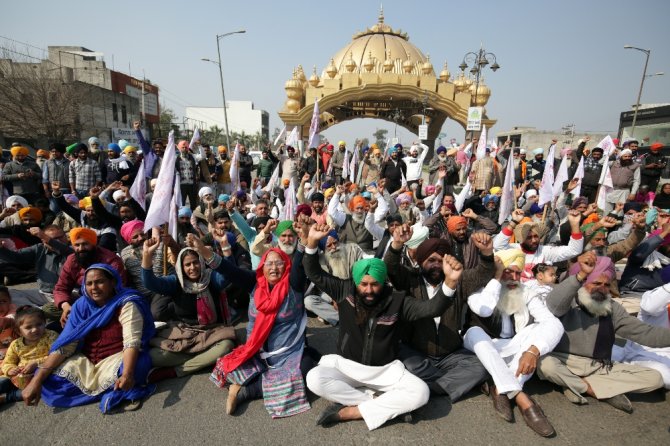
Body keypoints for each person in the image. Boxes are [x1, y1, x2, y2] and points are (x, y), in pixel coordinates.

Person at [303, 224, 463, 430]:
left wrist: (450, 282)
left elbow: (432, 308)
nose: (369, 290)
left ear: (384, 282)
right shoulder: (344, 290)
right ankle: (381, 404)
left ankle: (351, 411)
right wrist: (313, 242)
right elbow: (314, 272)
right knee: (314, 379)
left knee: (421, 392)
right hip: (348, 367)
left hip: (385, 371)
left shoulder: (397, 301)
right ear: (356, 281)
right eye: (364, 284)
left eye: (375, 284)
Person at [537, 253, 670, 412]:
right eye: (597, 283)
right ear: (583, 282)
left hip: (599, 366)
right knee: (545, 364)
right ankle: (592, 389)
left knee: (655, 379)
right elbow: (554, 306)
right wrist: (581, 274)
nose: (602, 289)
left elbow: (644, 333)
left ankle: (573, 384)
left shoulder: (612, 308)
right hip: (564, 360)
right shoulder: (569, 298)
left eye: (607, 285)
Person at [21, 263, 156, 413]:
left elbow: (132, 341)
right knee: (45, 378)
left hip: (117, 358)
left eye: (100, 282)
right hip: (87, 361)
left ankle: (122, 387)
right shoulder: (80, 306)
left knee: (137, 364)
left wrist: (127, 374)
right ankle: (116, 391)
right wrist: (36, 381)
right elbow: (66, 345)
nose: (94, 288)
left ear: (113, 282)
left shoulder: (127, 303)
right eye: (89, 283)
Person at [209, 236, 318, 419]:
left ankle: (244, 391)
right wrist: (206, 253)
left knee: (306, 373)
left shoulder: (294, 285)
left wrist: (304, 243)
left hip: (290, 352)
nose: (274, 268)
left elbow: (299, 264)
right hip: (257, 351)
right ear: (262, 267)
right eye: (269, 264)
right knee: (230, 367)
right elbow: (231, 271)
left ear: (286, 267)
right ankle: (255, 382)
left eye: (279, 263)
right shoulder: (255, 283)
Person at [462, 249, 564, 437]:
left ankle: (500, 388)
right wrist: (497, 276)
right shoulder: (480, 288)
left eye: (518, 273)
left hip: (512, 346)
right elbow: (483, 310)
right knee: (475, 333)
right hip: (481, 344)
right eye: (509, 272)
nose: (515, 278)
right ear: (498, 270)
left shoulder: (525, 290)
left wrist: (533, 351)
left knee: (536, 330)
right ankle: (522, 399)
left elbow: (553, 323)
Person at [385, 232, 494, 404]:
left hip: (449, 353)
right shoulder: (410, 279)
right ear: (421, 262)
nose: (436, 265)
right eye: (431, 261)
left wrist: (487, 253)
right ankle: (452, 383)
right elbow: (390, 267)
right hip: (416, 352)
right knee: (402, 364)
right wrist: (397, 244)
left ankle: (429, 389)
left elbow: (483, 274)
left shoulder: (459, 279)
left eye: (440, 261)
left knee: (480, 367)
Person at [141, 234, 236, 381]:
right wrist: (147, 255)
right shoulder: (175, 282)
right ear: (181, 266)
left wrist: (226, 248)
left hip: (211, 332)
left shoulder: (211, 278)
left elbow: (230, 274)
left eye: (196, 262)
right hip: (184, 334)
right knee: (153, 356)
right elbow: (150, 283)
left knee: (227, 346)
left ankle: (178, 370)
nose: (193, 268)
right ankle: (205, 358)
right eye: (187, 265)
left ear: (201, 262)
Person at [51, 228, 126, 327]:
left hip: (107, 301)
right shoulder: (71, 260)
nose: (81, 248)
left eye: (85, 244)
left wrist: (82, 308)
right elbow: (61, 288)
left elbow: (118, 289)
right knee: (49, 309)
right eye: (77, 245)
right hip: (82, 298)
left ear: (94, 244)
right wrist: (66, 306)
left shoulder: (111, 260)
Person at [494, 208, 583, 282]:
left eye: (536, 236)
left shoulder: (545, 251)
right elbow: (498, 245)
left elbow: (574, 250)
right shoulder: (513, 249)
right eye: (529, 237)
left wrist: (575, 225)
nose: (534, 240)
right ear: (521, 240)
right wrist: (514, 221)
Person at [612, 282, 670, 389]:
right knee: (666, 377)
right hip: (644, 351)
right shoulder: (655, 296)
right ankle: (625, 366)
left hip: (667, 356)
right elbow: (650, 307)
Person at [0, 306, 58, 404]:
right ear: (19, 331)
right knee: (3, 383)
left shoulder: (50, 336)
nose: (35, 329)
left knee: (35, 391)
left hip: (40, 374)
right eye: (28, 327)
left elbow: (56, 355)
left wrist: (36, 363)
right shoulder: (16, 344)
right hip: (17, 376)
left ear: (45, 323)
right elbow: (7, 362)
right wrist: (10, 369)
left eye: (39, 324)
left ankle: (6, 398)